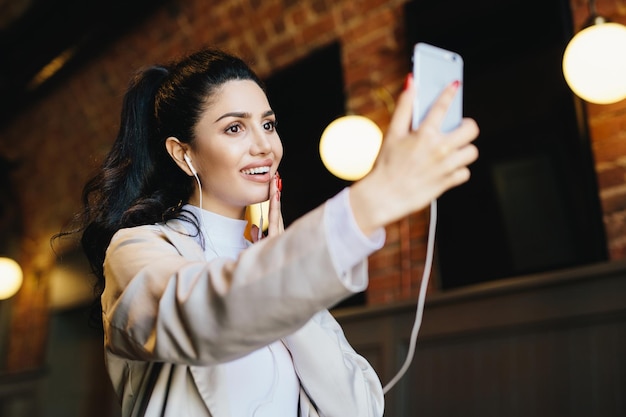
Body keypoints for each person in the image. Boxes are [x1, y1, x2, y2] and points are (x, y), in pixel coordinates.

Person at [60, 47, 478, 416]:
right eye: (234, 128)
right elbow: (207, 314)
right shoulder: (138, 249)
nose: (265, 146)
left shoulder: (276, 257)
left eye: (269, 124)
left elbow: (362, 407)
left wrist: (282, 279)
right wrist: (367, 204)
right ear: (183, 154)